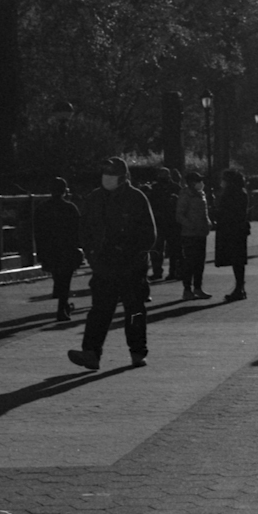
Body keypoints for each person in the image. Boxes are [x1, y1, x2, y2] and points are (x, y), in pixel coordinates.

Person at [67, 157, 157, 370]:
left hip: (131, 265)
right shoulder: (95, 198)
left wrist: (131, 251)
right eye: (105, 174)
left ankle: (137, 352)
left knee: (134, 310)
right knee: (99, 311)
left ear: (123, 178)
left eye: (112, 175)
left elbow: (149, 234)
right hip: (104, 265)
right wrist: (91, 254)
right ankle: (91, 353)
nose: (107, 178)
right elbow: (85, 229)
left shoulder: (136, 198)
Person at [34, 177, 82, 321]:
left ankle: (63, 304)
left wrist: (40, 251)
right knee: (65, 279)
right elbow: (77, 231)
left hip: (50, 249)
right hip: (67, 249)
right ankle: (62, 307)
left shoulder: (42, 208)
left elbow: (38, 231)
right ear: (65, 191)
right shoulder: (70, 208)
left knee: (57, 277)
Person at [213, 168, 251, 301]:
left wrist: (218, 213)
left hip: (232, 229)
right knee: (238, 259)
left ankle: (239, 288)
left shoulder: (233, 193)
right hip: (238, 229)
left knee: (237, 259)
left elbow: (229, 211)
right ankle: (240, 287)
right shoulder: (241, 192)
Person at [176, 171, 213, 300]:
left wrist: (208, 222)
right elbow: (179, 215)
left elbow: (205, 211)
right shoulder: (186, 195)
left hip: (201, 233)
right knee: (189, 262)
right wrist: (190, 225)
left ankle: (198, 288)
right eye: (198, 181)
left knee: (199, 262)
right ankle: (187, 289)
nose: (201, 183)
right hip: (190, 234)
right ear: (191, 182)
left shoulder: (201, 194)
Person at [146, 167, 180, 280]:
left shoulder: (175, 188)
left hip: (171, 222)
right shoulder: (155, 188)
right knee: (157, 249)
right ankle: (158, 271)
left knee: (173, 249)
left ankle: (173, 271)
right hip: (160, 222)